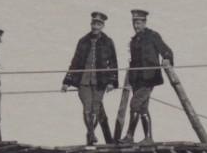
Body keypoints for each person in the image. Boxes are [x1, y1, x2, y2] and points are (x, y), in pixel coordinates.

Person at [62, 11, 118, 145]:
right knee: (87, 107)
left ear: (102, 26)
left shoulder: (108, 42)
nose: (95, 27)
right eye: (94, 23)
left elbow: (114, 63)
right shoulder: (83, 41)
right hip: (83, 81)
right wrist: (67, 81)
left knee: (96, 108)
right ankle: (92, 134)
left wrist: (112, 82)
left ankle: (90, 135)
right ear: (91, 24)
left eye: (98, 24)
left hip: (100, 81)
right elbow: (75, 61)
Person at [126, 8, 173, 144]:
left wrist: (167, 58)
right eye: (134, 23)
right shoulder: (134, 40)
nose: (136, 26)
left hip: (149, 78)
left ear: (145, 23)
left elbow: (166, 50)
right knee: (142, 108)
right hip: (136, 79)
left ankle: (129, 136)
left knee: (135, 103)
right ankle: (148, 138)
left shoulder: (152, 36)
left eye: (139, 23)